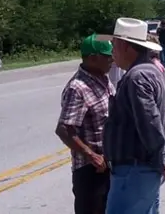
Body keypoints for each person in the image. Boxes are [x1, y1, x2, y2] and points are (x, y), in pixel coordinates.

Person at [99, 18, 165, 214]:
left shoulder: (137, 77)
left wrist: (162, 158)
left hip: (134, 169)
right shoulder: (151, 71)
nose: (112, 51)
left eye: (114, 45)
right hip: (143, 168)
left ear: (125, 46)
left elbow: (150, 123)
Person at [55, 34, 115, 214]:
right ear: (92, 58)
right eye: (107, 56)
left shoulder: (103, 79)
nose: (112, 60)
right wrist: (91, 155)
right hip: (91, 170)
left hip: (108, 165)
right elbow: (64, 129)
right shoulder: (78, 88)